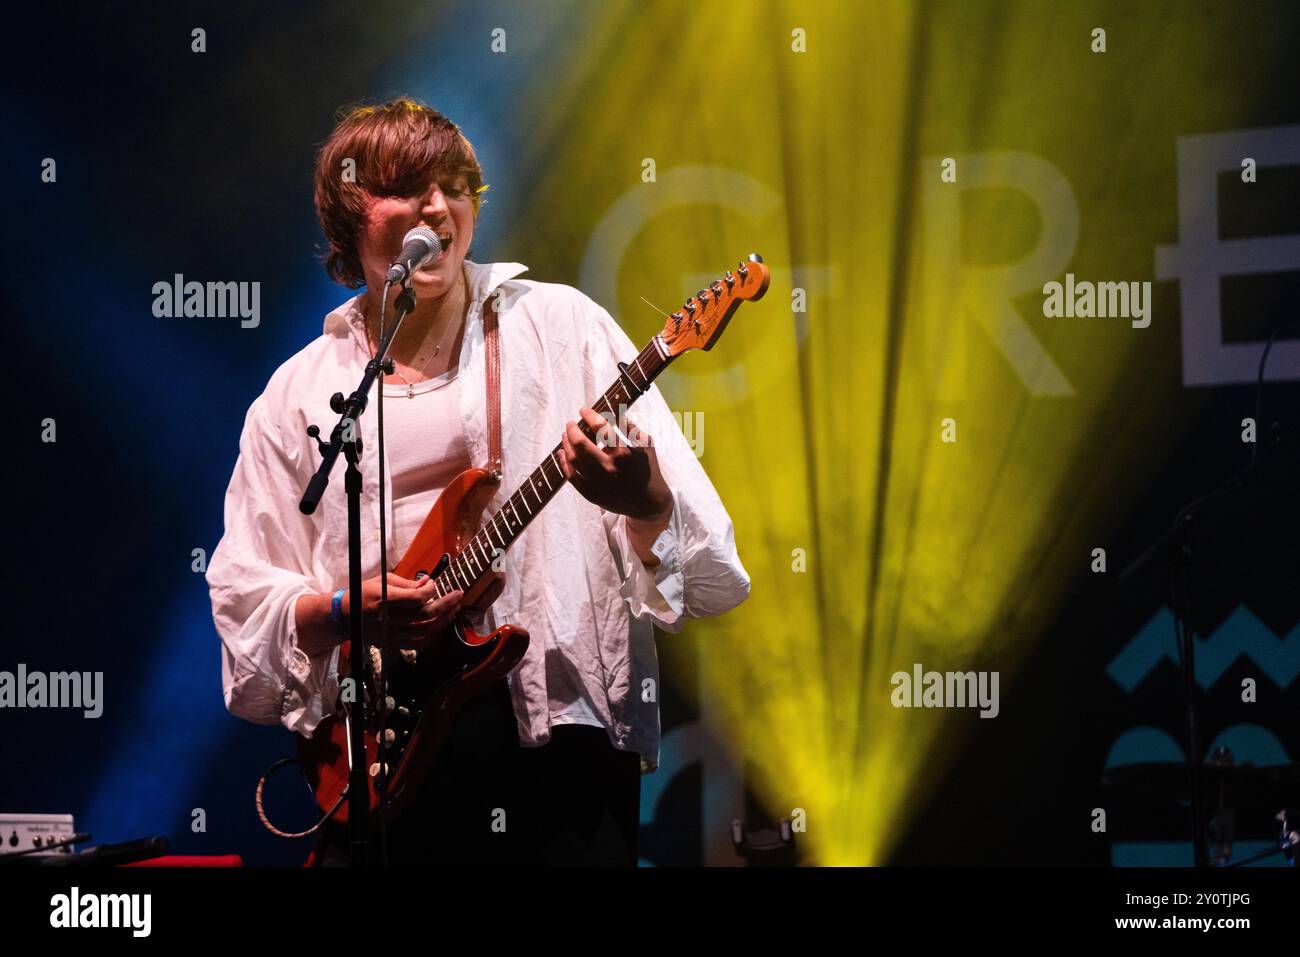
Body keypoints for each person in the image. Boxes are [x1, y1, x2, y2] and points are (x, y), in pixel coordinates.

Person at [207, 97, 750, 866]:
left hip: (555, 743)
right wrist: (340, 612)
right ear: (348, 215)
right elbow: (242, 596)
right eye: (408, 186)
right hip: (380, 756)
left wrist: (646, 502)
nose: (439, 206)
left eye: (456, 185)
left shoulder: (563, 327)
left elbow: (710, 566)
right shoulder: (298, 393)